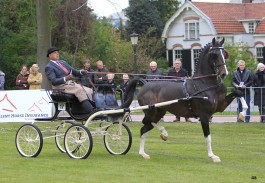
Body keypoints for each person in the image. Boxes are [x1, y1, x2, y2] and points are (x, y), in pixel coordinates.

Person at [45, 47, 94, 114]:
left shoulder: (63, 62)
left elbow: (74, 71)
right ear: (50, 55)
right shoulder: (49, 67)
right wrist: (65, 78)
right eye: (55, 53)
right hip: (60, 87)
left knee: (89, 90)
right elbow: (54, 81)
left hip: (70, 84)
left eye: (58, 53)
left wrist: (81, 72)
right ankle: (90, 111)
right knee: (79, 90)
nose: (57, 54)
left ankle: (86, 110)